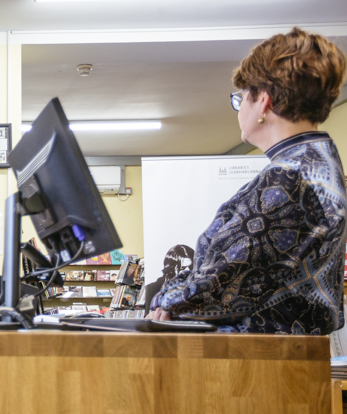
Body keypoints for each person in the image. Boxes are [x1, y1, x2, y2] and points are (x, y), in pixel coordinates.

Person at [148, 28, 347, 334]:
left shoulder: (289, 178)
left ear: (263, 103)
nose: (239, 109)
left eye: (240, 98)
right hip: (281, 360)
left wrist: (163, 299)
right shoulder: (317, 165)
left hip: (255, 367)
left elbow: (218, 284)